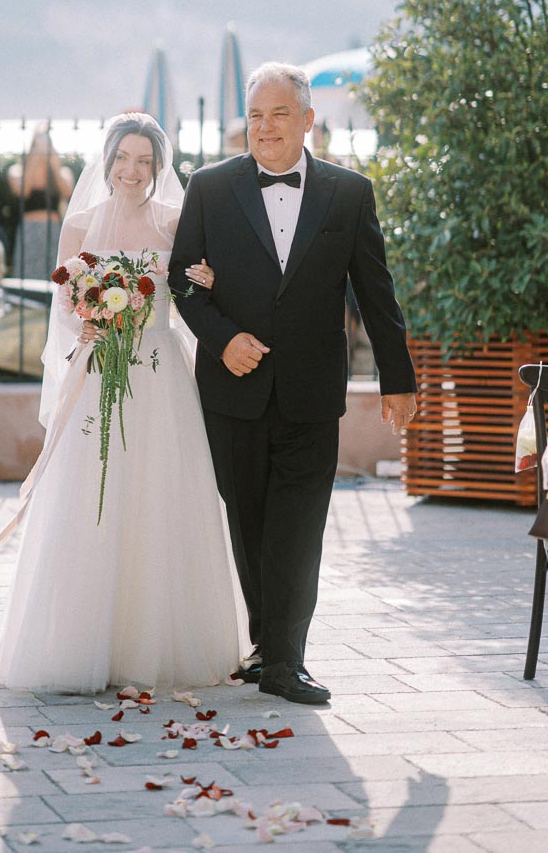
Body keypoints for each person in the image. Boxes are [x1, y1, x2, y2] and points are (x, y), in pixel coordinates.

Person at [169, 62, 417, 706]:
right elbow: (180, 281)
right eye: (255, 115)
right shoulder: (209, 187)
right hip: (233, 390)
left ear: (308, 120)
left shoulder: (350, 193)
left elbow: (375, 290)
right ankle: (266, 648)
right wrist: (222, 338)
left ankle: (286, 658)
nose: (266, 127)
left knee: (298, 526)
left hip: (312, 389)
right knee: (248, 519)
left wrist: (398, 377)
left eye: (280, 114)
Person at [0, 113, 245, 692]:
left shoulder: (176, 222)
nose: (133, 171)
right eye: (124, 158)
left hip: (160, 379)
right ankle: (81, 644)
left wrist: (203, 280)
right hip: (101, 368)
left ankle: (156, 644)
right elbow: (63, 301)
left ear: (158, 168)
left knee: (161, 499)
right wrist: (86, 322)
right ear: (106, 161)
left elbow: (185, 298)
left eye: (145, 161)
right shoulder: (80, 224)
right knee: (93, 501)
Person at [7, 123, 75, 280]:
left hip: (53, 231)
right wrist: (35, 158)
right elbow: (23, 191)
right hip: (29, 231)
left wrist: (53, 161)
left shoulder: (61, 172)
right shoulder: (18, 170)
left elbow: (67, 192)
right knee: (28, 276)